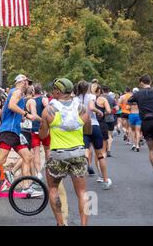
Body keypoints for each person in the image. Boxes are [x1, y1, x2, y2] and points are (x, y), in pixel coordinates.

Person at [39, 78, 91, 226]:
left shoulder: (48, 110)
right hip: (78, 153)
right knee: (82, 192)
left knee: (53, 188)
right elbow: (88, 130)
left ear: (57, 91)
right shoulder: (83, 109)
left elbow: (42, 135)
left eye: (53, 90)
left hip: (58, 155)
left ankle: (61, 223)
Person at [0, 75, 33, 190]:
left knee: (28, 157)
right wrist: (26, 114)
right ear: (22, 82)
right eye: (27, 82)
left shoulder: (15, 93)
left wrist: (21, 117)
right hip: (10, 130)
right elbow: (11, 106)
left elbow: (6, 110)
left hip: (14, 130)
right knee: (1, 158)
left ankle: (26, 186)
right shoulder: (17, 92)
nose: (28, 85)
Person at [128, 74, 153, 183]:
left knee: (151, 149)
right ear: (150, 81)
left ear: (141, 83)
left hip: (145, 122)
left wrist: (139, 102)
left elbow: (129, 101)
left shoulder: (138, 94)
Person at [76, 81, 112, 189]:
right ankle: (105, 180)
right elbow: (91, 107)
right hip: (94, 125)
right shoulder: (91, 96)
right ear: (88, 88)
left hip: (82, 126)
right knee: (100, 155)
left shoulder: (75, 99)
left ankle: (86, 163)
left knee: (85, 151)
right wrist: (99, 112)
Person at [28, 84, 50, 179]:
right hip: (44, 128)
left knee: (36, 152)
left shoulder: (30, 101)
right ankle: (49, 170)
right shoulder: (43, 99)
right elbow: (49, 108)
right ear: (41, 91)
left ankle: (38, 174)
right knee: (47, 150)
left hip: (33, 128)